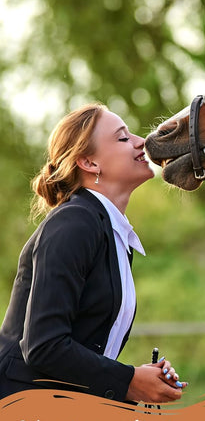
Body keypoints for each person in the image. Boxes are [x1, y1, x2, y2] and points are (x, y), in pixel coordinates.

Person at [0, 103, 187, 403]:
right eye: (123, 138)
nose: (142, 141)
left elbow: (85, 351)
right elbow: (43, 346)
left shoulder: (109, 232)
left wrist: (142, 378)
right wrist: (129, 381)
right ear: (89, 163)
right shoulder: (74, 222)